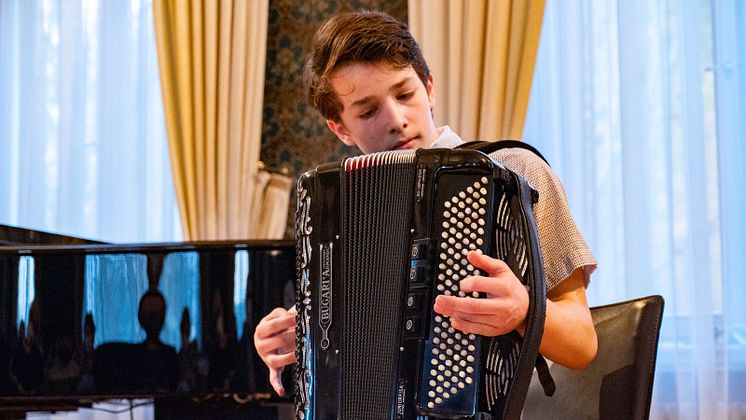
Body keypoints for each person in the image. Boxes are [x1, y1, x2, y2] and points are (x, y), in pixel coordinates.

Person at [254, 10, 598, 397]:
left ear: (429, 88)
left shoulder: (517, 172)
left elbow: (582, 344)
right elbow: (341, 350)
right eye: (368, 111)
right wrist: (292, 343)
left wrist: (524, 311)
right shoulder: (336, 210)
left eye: (405, 94)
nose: (397, 119)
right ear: (341, 129)